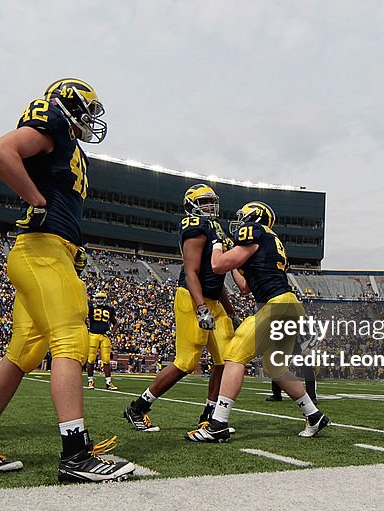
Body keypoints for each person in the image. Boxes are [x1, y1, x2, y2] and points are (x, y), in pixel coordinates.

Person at [0, 79, 134, 482]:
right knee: (71, 340)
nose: (93, 119)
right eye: (88, 109)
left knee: (23, 354)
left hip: (52, 251)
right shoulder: (50, 120)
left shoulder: (69, 146)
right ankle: (76, 454)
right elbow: (1, 151)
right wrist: (36, 200)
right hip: (41, 250)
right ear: (70, 104)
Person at [188, 201, 329, 442]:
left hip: (275, 306)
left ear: (254, 216)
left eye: (244, 216)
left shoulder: (255, 231)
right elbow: (244, 287)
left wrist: (218, 245)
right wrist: (236, 264)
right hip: (289, 305)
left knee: (234, 355)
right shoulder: (271, 240)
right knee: (275, 366)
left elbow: (217, 264)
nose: (240, 220)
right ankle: (313, 414)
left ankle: (218, 423)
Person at [123, 184, 240, 433]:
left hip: (213, 299)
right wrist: (200, 307)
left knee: (226, 359)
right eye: (204, 202)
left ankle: (209, 414)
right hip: (192, 297)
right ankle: (138, 408)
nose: (209, 206)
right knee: (186, 362)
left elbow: (217, 281)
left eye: (211, 201)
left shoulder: (215, 228)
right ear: (191, 205)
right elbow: (191, 271)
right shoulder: (195, 226)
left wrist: (230, 312)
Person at [85, 291, 118, 390]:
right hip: (93, 335)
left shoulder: (109, 309)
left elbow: (115, 323)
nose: (99, 300)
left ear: (105, 299)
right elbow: (84, 319)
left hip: (105, 336)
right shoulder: (90, 309)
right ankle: (90, 381)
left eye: (101, 298)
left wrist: (111, 332)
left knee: (106, 360)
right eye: (98, 298)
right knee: (91, 359)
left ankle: (108, 382)